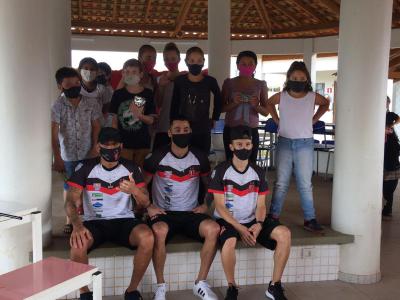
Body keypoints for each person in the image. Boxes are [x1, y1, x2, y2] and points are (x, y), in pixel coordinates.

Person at [65, 127, 154, 300]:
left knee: (147, 237)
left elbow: (146, 202)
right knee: (77, 242)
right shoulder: (85, 167)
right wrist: (76, 225)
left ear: (121, 147)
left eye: (115, 146)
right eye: (106, 146)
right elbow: (70, 201)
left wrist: (134, 190)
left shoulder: (131, 168)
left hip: (124, 221)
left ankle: (132, 291)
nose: (111, 150)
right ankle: (85, 293)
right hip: (94, 222)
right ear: (98, 147)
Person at [209, 125, 291, 300]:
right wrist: (240, 228)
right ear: (231, 146)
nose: (244, 148)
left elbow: (261, 205)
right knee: (229, 241)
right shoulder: (221, 171)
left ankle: (274, 286)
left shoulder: (258, 172)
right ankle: (232, 287)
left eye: (247, 144)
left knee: (284, 233)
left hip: (252, 220)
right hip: (228, 221)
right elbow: (220, 207)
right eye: (239, 144)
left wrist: (259, 225)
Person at [144, 117, 220, 300]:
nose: (182, 133)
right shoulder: (157, 156)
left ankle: (200, 283)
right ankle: (160, 287)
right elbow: (140, 186)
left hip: (191, 213)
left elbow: (209, 185)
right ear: (169, 133)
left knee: (214, 229)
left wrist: (205, 205)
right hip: (163, 213)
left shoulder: (199, 156)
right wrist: (148, 207)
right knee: (159, 231)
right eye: (177, 129)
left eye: (186, 129)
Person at [266, 61, 329, 233]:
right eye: (294, 77)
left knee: (304, 184)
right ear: (288, 78)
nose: (298, 80)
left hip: (305, 144)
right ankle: (273, 216)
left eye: (301, 78)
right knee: (281, 182)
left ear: (307, 79)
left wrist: (315, 119)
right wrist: (277, 119)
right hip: (285, 142)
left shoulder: (312, 96)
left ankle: (309, 218)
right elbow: (268, 103)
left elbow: (326, 103)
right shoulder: (283, 95)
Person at [51, 67, 101, 235]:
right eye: (68, 84)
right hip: (68, 155)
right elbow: (53, 133)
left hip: (89, 153)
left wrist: (95, 147)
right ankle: (69, 220)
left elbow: (96, 126)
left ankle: (87, 216)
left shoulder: (91, 103)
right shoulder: (57, 105)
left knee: (87, 185)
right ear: (60, 86)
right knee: (69, 186)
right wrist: (57, 157)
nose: (74, 86)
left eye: (77, 83)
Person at [170, 46, 222, 155]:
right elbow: (174, 103)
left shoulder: (210, 81)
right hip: (183, 128)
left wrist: (215, 117)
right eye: (192, 60)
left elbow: (219, 98)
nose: (195, 64)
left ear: (203, 62)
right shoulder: (179, 81)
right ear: (186, 61)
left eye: (199, 61)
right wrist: (172, 123)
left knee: (202, 158)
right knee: (183, 156)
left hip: (203, 127)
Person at [222, 50, 269, 162]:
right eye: (243, 64)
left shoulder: (261, 84)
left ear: (255, 66)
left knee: (251, 164)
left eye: (250, 63)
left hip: (251, 130)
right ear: (237, 65)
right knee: (230, 162)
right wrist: (234, 103)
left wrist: (256, 106)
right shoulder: (229, 83)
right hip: (231, 129)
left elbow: (266, 112)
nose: (247, 66)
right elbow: (221, 108)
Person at [110, 59, 156, 167]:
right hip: (123, 143)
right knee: (125, 175)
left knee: (140, 176)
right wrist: (115, 142)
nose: (130, 75)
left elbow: (151, 120)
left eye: (134, 72)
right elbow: (114, 121)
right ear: (122, 74)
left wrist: (139, 116)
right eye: (127, 72)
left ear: (141, 74)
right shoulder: (118, 94)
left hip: (143, 143)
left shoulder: (147, 93)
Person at [153, 42, 187, 150]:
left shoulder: (186, 79)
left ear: (179, 59)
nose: (170, 62)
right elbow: (158, 103)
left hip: (181, 127)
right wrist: (161, 87)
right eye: (166, 59)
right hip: (163, 126)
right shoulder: (159, 79)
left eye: (173, 58)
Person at [78, 57, 112, 124]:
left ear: (96, 72)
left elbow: (106, 108)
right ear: (79, 70)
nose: (89, 72)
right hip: (81, 125)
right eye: (86, 68)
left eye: (92, 69)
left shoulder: (102, 89)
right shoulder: (75, 88)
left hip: (99, 124)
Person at [383, 111, 400, 216]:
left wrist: (390, 126)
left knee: (389, 189)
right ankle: (387, 209)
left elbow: (398, 118)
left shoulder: (391, 131)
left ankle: (387, 209)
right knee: (387, 189)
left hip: (392, 164)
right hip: (388, 164)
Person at [97, 62, 114, 126]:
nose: (99, 75)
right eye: (97, 73)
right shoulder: (95, 86)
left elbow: (107, 107)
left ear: (108, 75)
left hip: (105, 119)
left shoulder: (109, 89)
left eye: (101, 72)